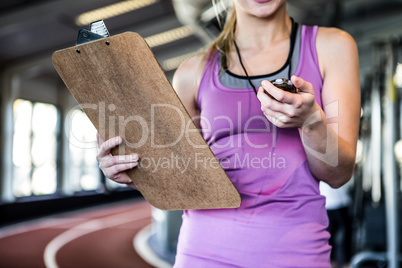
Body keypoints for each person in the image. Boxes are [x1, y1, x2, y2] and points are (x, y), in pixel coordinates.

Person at [96, 0, 361, 267]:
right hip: (202, 252)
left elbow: (338, 174)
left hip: (295, 252)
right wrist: (134, 171)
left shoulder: (332, 47)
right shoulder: (191, 73)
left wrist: (311, 121)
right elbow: (183, 178)